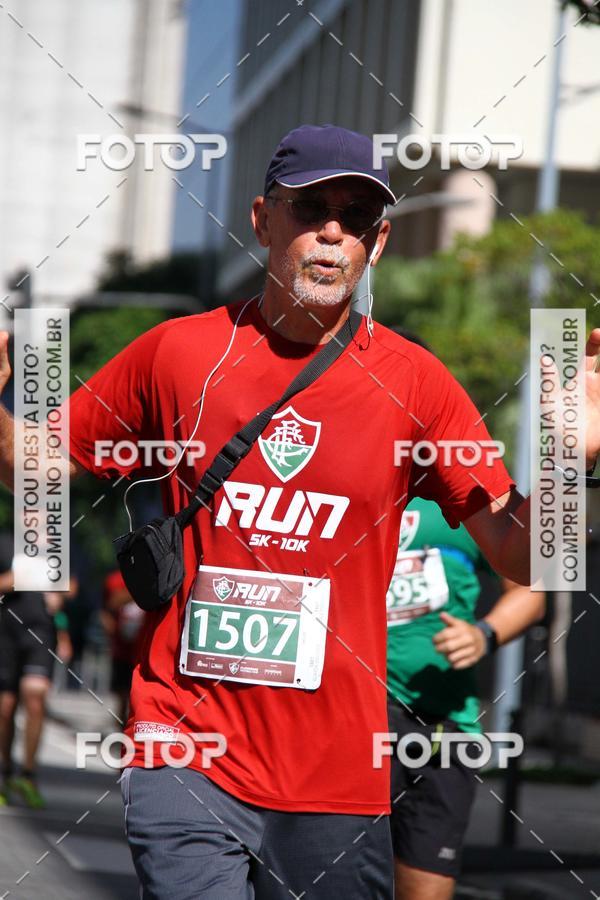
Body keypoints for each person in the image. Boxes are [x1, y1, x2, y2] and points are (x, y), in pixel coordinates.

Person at [0, 123, 598, 899]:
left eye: (355, 218)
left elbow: (523, 559)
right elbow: (37, 461)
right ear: (262, 220)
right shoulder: (178, 353)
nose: (331, 231)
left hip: (338, 775)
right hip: (186, 749)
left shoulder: (416, 383)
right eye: (311, 206)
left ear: (376, 245)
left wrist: (569, 462)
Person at [386, 331, 546, 900]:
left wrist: (483, 634)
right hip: (350, 715)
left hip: (442, 727)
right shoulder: (346, 483)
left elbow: (532, 585)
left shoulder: (457, 483)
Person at [0, 532, 74, 808]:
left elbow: (72, 587)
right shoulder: (5, 543)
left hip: (41, 634)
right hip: (7, 634)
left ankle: (28, 774)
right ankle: (6, 772)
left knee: (35, 695)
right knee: (6, 708)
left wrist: (60, 595)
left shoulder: (56, 546)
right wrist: (16, 578)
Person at [100, 569, 145, 727]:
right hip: (122, 649)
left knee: (138, 693)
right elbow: (108, 606)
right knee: (122, 694)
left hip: (143, 649)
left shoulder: (158, 575)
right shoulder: (114, 580)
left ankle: (133, 726)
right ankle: (122, 727)